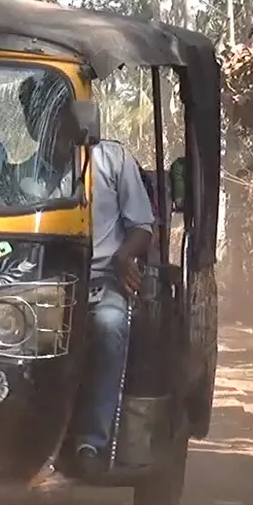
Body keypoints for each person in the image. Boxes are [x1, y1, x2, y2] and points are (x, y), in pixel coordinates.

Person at [18, 78, 156, 480]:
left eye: (49, 113)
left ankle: (91, 442)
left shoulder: (112, 159)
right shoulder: (25, 174)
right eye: (33, 116)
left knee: (110, 326)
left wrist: (125, 257)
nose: (41, 123)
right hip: (39, 285)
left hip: (100, 279)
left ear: (75, 115)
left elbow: (142, 226)